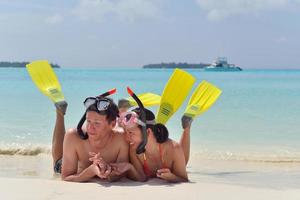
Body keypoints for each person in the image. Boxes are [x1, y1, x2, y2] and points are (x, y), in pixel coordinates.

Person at [109, 88, 189, 183]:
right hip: (149, 133)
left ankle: (187, 127)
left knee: (184, 159)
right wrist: (129, 167)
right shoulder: (134, 149)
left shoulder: (174, 148)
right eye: (126, 132)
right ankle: (122, 108)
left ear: (148, 132)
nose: (126, 138)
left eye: (130, 133)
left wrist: (171, 177)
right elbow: (141, 177)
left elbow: (184, 179)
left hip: (169, 147)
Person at [52, 91, 129, 182]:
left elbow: (121, 174)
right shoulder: (74, 136)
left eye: (97, 123)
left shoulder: (121, 139)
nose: (90, 128)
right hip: (75, 169)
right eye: (88, 121)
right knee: (58, 163)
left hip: (113, 130)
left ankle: (122, 113)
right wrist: (91, 171)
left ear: (112, 124)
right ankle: (60, 113)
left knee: (125, 131)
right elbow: (66, 177)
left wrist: (106, 171)